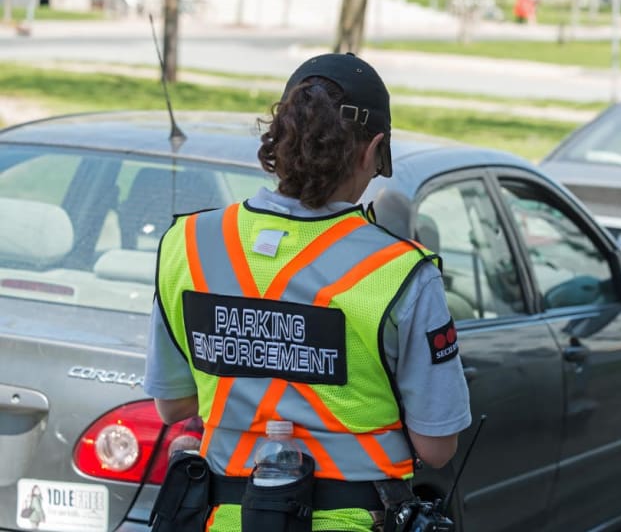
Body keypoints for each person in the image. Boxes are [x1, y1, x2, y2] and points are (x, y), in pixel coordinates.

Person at [145, 52, 472, 532]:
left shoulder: (188, 244)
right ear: (372, 150)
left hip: (224, 519)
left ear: (279, 138)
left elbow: (173, 406)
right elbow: (436, 447)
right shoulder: (400, 270)